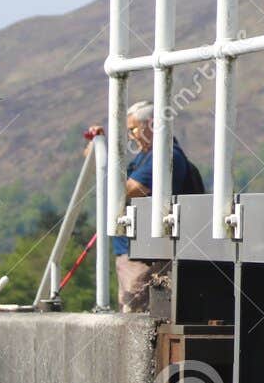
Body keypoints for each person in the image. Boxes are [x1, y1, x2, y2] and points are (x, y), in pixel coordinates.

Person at [86, 100, 204, 311]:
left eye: (132, 129)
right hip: (137, 251)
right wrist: (101, 147)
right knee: (134, 309)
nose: (131, 135)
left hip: (145, 255)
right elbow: (112, 177)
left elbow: (127, 190)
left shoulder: (164, 156)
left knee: (137, 311)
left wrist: (103, 157)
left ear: (150, 125)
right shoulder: (145, 157)